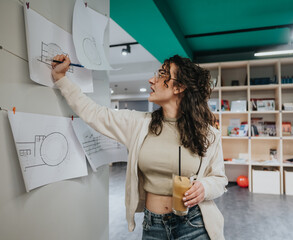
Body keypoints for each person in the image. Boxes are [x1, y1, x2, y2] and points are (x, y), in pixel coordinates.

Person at [51, 54, 228, 240]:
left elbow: (219, 179)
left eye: (161, 75)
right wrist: (61, 78)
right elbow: (94, 114)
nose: (152, 80)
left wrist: (204, 188)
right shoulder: (138, 124)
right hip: (153, 226)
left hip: (194, 224)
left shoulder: (207, 134)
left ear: (179, 87)